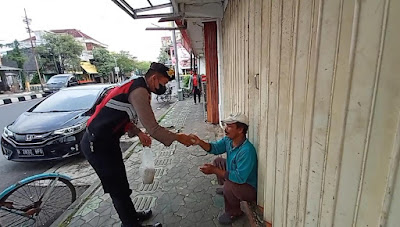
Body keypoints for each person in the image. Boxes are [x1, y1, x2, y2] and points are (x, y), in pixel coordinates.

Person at [80, 62, 194, 227]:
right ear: (154, 78)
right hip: (96, 145)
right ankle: (130, 224)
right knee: (117, 189)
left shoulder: (137, 86)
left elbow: (122, 116)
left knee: (122, 184)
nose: (165, 86)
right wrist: (178, 137)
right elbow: (153, 128)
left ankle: (131, 216)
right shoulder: (139, 91)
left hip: (108, 142)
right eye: (164, 82)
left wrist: (139, 133)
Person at [190, 113, 257, 225]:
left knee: (229, 184)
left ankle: (234, 212)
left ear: (240, 130)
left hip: (248, 188)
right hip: (237, 177)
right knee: (218, 162)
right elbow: (215, 148)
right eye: (226, 125)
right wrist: (199, 142)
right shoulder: (229, 141)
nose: (226, 129)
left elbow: (240, 178)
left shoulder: (247, 150)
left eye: (230, 126)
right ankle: (228, 192)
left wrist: (214, 170)